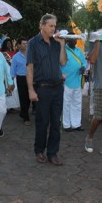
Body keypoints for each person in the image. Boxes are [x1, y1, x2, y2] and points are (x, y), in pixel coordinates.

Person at [27, 14, 67, 166]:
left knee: (56, 123)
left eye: (54, 26)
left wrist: (62, 44)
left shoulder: (57, 43)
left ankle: (53, 153)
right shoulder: (33, 43)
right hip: (42, 89)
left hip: (58, 88)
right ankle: (39, 150)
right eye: (50, 26)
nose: (53, 29)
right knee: (43, 122)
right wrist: (31, 90)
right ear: (42, 26)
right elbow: (29, 68)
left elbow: (63, 62)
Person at [61, 33, 87, 132]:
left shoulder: (78, 50)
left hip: (77, 80)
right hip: (66, 81)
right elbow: (60, 63)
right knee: (66, 103)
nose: (74, 41)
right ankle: (66, 125)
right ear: (67, 40)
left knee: (77, 103)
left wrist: (83, 68)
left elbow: (84, 62)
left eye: (75, 39)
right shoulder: (64, 50)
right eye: (72, 40)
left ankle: (76, 124)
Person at [10, 38, 31, 125]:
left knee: (30, 97)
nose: (25, 45)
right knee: (23, 98)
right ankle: (26, 117)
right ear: (18, 45)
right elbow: (12, 70)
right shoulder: (15, 57)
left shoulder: (31, 54)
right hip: (21, 78)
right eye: (23, 44)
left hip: (31, 77)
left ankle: (23, 112)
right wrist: (11, 82)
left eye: (26, 43)